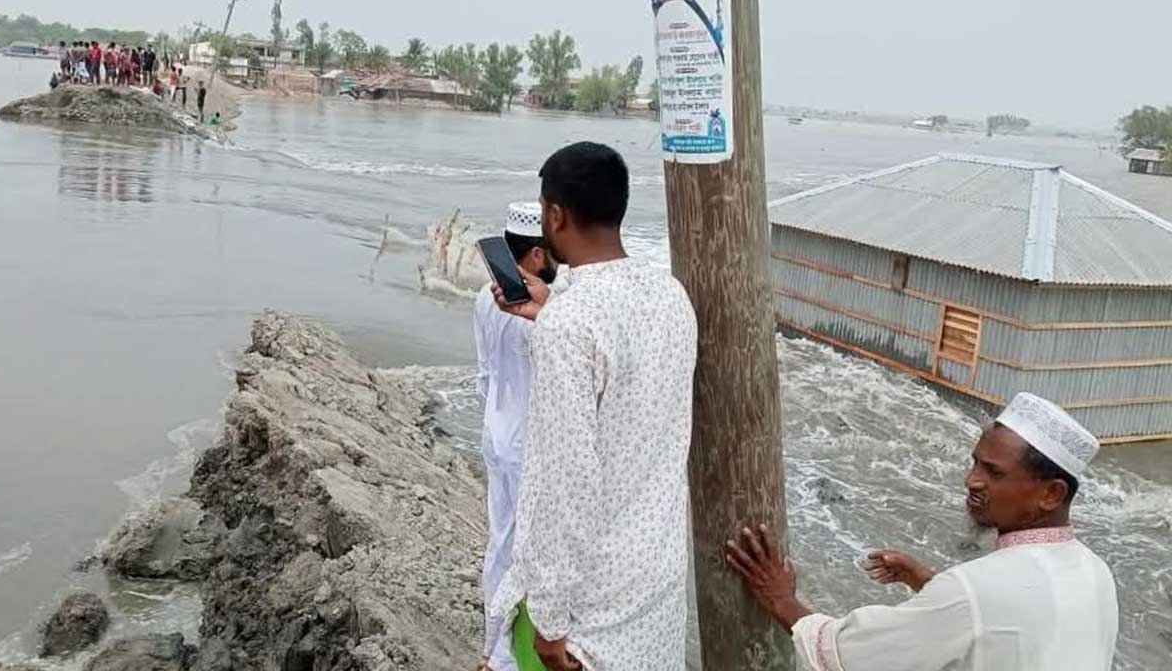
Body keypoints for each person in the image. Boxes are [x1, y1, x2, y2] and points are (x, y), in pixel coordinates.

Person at [490, 142, 698, 671]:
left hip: (590, 605)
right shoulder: (669, 295)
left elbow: (565, 481)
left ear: (555, 216)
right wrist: (550, 309)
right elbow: (626, 370)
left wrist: (550, 623)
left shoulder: (569, 326)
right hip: (655, 577)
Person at [726, 392, 1118, 671]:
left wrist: (781, 599)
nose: (971, 481)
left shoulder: (972, 591)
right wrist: (926, 580)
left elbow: (846, 655)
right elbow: (1014, 624)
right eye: (974, 463)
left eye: (993, 472)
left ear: (1051, 493)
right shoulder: (1096, 573)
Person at [473, 202, 560, 671]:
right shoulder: (544, 311)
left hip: (497, 436)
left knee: (500, 544)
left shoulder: (483, 299)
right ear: (533, 256)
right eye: (549, 252)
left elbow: (485, 374)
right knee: (531, 557)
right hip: (530, 448)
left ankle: (490, 650)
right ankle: (510, 658)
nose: (556, 261)